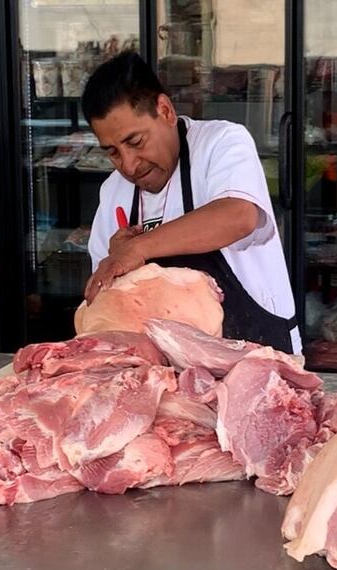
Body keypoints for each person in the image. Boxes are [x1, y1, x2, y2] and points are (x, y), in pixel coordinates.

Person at [81, 51, 300, 354]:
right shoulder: (113, 192)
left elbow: (239, 215)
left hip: (255, 359)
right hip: (166, 370)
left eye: (136, 142)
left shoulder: (221, 143)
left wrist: (137, 248)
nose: (128, 165)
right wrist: (117, 266)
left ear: (165, 111)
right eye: (113, 152)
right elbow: (103, 307)